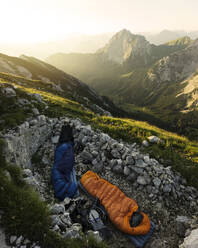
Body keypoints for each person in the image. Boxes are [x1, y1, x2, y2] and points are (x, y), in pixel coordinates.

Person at [51, 124, 79, 201]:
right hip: (63, 170)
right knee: (74, 188)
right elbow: (64, 166)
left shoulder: (61, 145)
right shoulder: (67, 147)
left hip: (61, 169)